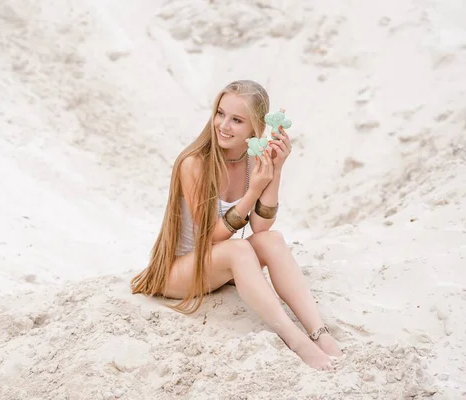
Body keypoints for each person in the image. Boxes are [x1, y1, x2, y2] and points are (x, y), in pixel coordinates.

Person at [130, 80, 343, 370]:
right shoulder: (193, 163)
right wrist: (253, 191)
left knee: (274, 240)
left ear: (255, 128)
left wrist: (275, 169)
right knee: (239, 249)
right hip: (177, 271)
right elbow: (213, 236)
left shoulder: (252, 157)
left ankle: (320, 333)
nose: (223, 125)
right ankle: (297, 341)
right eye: (220, 114)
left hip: (215, 267)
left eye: (236, 120)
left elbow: (261, 227)